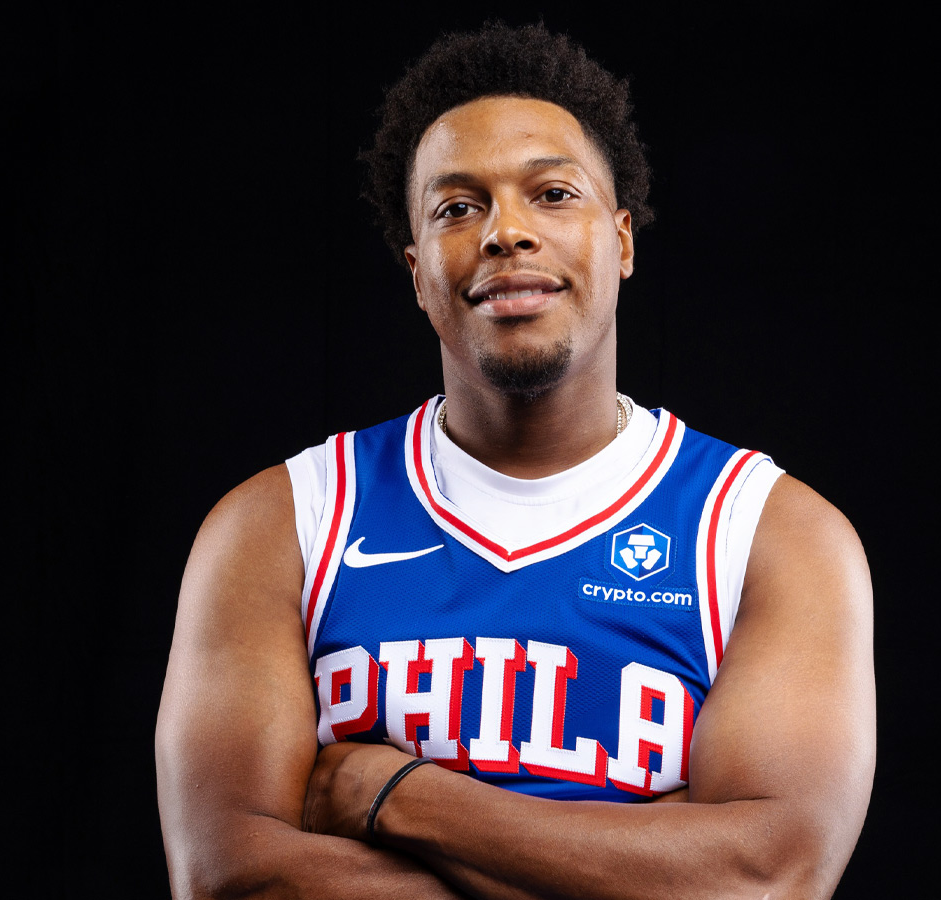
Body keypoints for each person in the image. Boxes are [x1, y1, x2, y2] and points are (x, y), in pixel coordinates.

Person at [156, 22, 874, 899]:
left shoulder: (768, 533)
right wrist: (644, 864)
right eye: (458, 207)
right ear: (419, 274)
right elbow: (234, 880)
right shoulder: (283, 523)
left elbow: (764, 881)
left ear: (623, 242)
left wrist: (393, 795)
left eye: (553, 194)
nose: (507, 232)